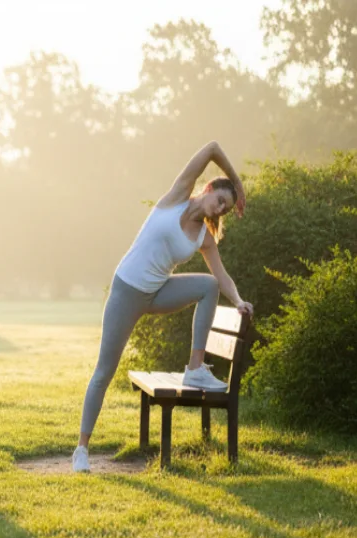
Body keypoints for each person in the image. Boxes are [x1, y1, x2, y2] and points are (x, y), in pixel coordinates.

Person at [72, 141, 253, 473]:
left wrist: (239, 300)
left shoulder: (204, 238)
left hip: (156, 294)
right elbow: (212, 147)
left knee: (209, 285)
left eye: (225, 209)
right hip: (126, 291)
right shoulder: (176, 198)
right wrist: (238, 185)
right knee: (103, 372)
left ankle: (195, 368)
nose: (219, 209)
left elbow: (222, 277)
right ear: (208, 188)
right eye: (220, 201)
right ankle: (81, 449)